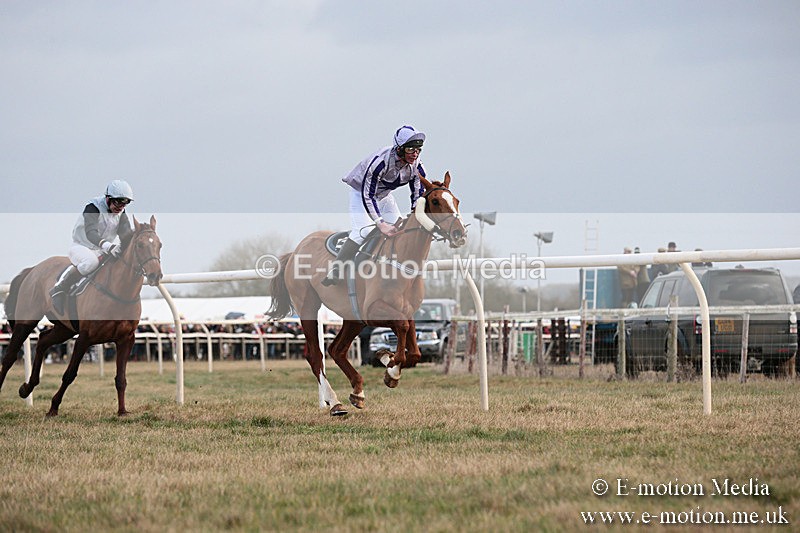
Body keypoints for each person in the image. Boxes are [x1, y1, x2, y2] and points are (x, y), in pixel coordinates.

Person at [322, 125, 427, 286]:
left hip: (384, 195)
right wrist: (381, 223)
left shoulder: (417, 166)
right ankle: (336, 269)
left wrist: (415, 213)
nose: (415, 154)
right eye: (411, 149)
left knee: (399, 229)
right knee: (362, 232)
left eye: (418, 149)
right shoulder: (380, 163)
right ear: (399, 149)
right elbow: (368, 196)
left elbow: (417, 194)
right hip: (361, 193)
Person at [49, 180, 135, 313]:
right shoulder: (92, 208)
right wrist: (108, 246)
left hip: (102, 249)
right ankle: (60, 287)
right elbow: (91, 232)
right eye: (118, 202)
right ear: (108, 198)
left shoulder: (121, 213)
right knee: (91, 262)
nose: (121, 207)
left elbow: (126, 234)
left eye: (125, 203)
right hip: (82, 246)